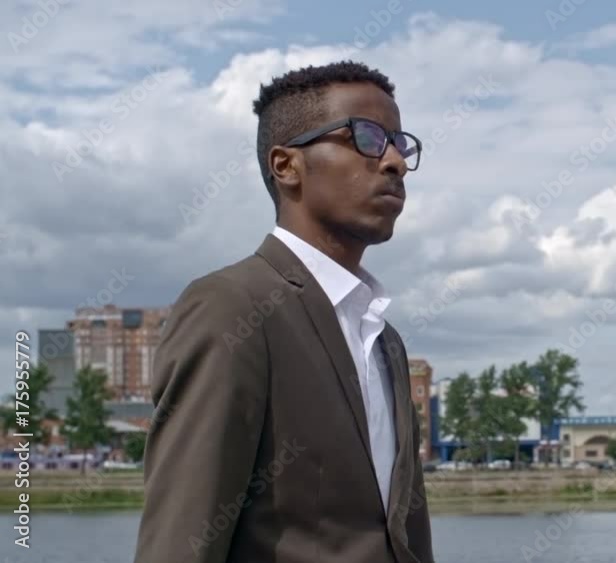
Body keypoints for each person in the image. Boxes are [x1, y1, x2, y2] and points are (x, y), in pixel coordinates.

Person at [133, 60, 434, 563]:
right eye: (366, 137)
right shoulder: (232, 308)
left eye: (399, 144)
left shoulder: (385, 340)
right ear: (286, 166)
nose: (394, 162)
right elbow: (180, 542)